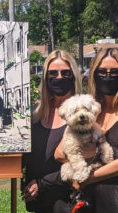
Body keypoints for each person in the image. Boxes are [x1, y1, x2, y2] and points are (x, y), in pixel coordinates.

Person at [53, 46, 118, 213]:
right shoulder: (91, 107)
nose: (108, 77)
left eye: (114, 72)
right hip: (87, 200)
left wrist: (88, 178)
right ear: (95, 75)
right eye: (102, 72)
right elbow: (59, 153)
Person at [22, 50, 82, 212]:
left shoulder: (82, 115)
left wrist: (43, 183)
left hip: (69, 202)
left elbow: (85, 162)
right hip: (40, 203)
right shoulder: (34, 116)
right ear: (45, 77)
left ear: (74, 76)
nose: (59, 78)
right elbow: (26, 158)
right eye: (53, 73)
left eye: (65, 73)